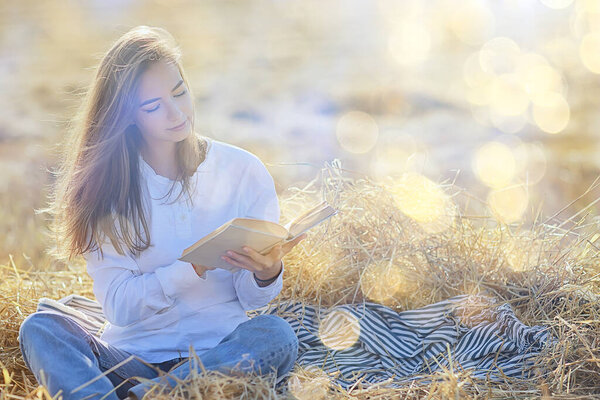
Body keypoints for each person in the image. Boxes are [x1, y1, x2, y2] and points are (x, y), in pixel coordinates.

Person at [17, 26, 305, 400]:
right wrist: (189, 270)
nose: (176, 113)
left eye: (180, 92)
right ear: (127, 117)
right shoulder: (108, 187)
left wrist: (267, 273)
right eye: (153, 106)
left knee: (275, 335)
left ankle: (152, 394)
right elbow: (119, 308)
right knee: (41, 328)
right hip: (128, 359)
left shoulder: (243, 171)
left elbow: (251, 301)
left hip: (217, 353)